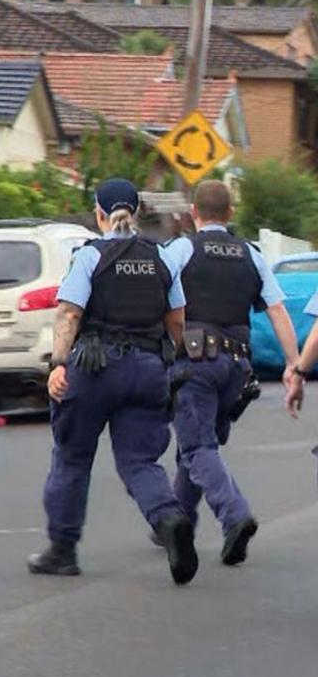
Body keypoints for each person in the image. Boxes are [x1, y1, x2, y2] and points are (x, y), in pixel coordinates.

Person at [28, 178, 199, 586]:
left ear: (99, 214)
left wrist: (58, 363)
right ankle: (170, 518)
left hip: (93, 367)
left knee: (72, 458)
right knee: (140, 462)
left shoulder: (89, 257)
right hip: (146, 369)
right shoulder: (161, 258)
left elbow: (69, 314)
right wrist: (172, 361)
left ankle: (62, 551)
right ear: (137, 212)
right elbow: (177, 321)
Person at [161, 180, 302, 566]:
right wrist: (294, 364)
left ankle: (234, 516)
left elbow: (157, 296)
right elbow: (277, 310)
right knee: (198, 441)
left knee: (197, 447)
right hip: (238, 369)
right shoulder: (251, 254)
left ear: (194, 213)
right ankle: (178, 522)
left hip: (195, 362)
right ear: (231, 214)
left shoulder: (181, 249)